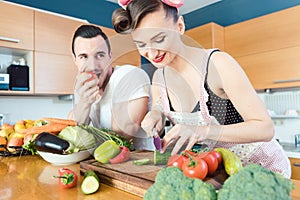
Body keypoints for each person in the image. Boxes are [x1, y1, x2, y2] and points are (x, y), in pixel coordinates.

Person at [112, 0, 291, 177]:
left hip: (262, 168)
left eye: (159, 39)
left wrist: (200, 131)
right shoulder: (159, 76)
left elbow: (265, 129)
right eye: (141, 44)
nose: (151, 54)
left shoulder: (217, 64)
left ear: (180, 26)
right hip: (220, 174)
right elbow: (160, 107)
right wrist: (156, 114)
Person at [69, 24, 155, 151]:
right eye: (83, 56)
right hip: (103, 164)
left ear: (110, 56)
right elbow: (73, 131)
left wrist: (83, 133)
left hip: (139, 165)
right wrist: (84, 103)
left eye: (100, 55)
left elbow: (122, 135)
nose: (92, 66)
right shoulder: (83, 89)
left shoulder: (129, 75)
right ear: (75, 59)